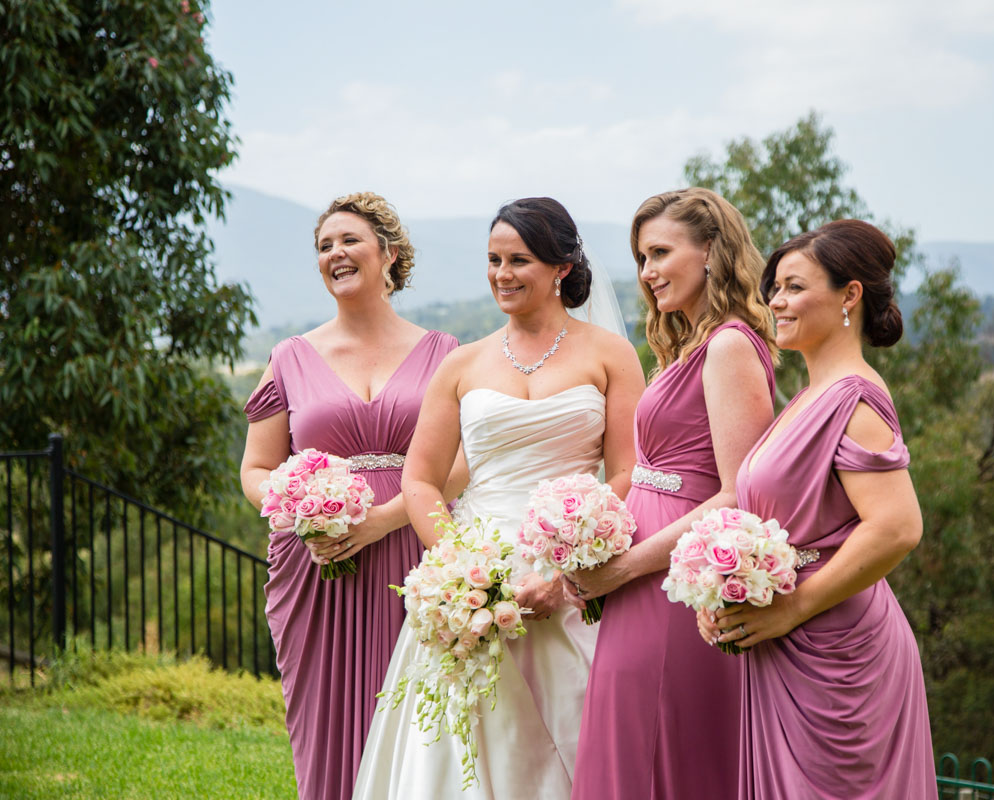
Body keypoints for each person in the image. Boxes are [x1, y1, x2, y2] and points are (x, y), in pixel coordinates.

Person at [353, 197, 644, 799]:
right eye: (493, 260)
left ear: (562, 267)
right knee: (462, 745)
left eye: (519, 260)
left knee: (580, 729)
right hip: (473, 574)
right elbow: (421, 480)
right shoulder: (462, 364)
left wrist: (571, 568)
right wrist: (459, 567)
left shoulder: (610, 354)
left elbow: (627, 471)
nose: (502, 274)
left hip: (570, 570)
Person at [240, 192, 463, 800]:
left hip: (415, 551)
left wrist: (384, 519)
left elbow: (464, 464)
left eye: (349, 240)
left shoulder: (445, 354)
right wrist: (297, 509)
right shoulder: (289, 358)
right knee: (328, 725)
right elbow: (256, 468)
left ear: (389, 254)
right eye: (324, 245)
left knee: (421, 727)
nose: (335, 253)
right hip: (320, 561)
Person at [704, 219, 936, 798]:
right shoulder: (809, 396)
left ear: (849, 295)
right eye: (775, 288)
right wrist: (721, 595)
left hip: (838, 658)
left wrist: (793, 607)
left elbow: (898, 527)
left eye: (795, 287)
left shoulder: (855, 400)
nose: (776, 302)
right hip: (785, 644)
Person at [570, 188, 778, 799]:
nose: (647, 272)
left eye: (661, 253)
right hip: (644, 574)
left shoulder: (730, 345)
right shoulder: (688, 344)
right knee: (631, 739)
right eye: (642, 257)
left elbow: (737, 493)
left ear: (711, 250)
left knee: (660, 748)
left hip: (673, 581)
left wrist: (626, 567)